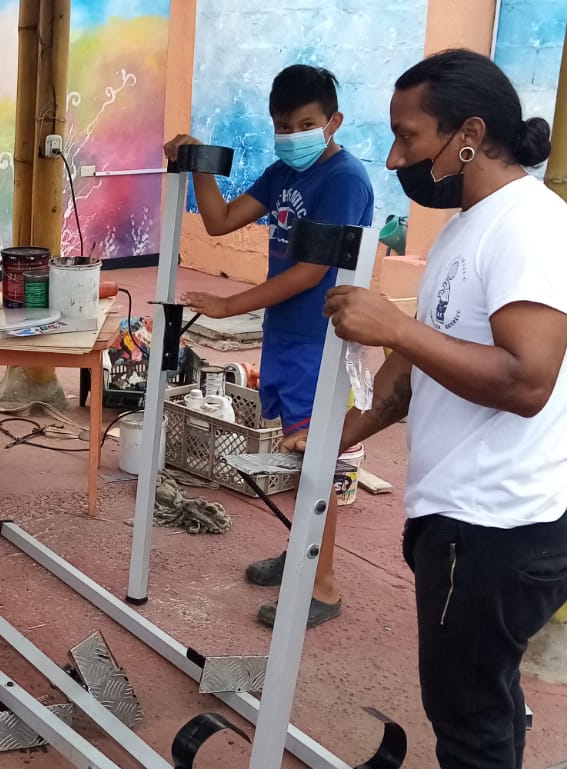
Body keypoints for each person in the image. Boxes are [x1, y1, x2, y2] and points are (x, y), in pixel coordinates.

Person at [324, 49, 567, 769]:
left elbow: (526, 381)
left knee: (469, 725)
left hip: (495, 533)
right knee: (484, 702)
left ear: (469, 134)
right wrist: (332, 438)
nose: (393, 158)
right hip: (463, 524)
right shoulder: (469, 226)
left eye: (408, 136)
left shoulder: (530, 227)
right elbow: (415, 375)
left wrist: (395, 326)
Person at [164, 64, 375, 628]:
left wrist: (230, 305)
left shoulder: (344, 180)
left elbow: (311, 271)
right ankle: (302, 553)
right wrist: (199, 162)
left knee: (317, 459)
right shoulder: (284, 171)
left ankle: (322, 584)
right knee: (300, 455)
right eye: (283, 125)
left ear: (333, 122)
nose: (292, 135)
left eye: (306, 124)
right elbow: (219, 220)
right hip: (286, 333)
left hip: (319, 339)